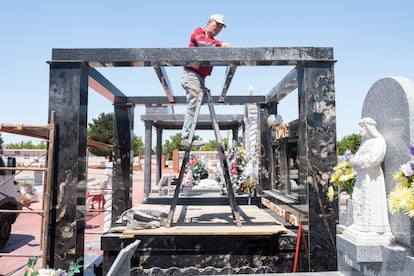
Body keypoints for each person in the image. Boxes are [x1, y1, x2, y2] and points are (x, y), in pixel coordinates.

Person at [180, 14, 231, 147]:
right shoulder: (200, 31)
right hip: (191, 74)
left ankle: (188, 135)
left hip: (199, 77)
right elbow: (201, 42)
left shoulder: (213, 42)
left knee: (197, 103)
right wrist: (221, 44)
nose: (219, 28)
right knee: (194, 103)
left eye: (221, 27)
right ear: (209, 22)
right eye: (217, 24)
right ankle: (186, 137)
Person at [348, 117, 391, 235]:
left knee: (370, 199)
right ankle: (360, 223)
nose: (361, 130)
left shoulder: (378, 141)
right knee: (360, 198)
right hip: (362, 174)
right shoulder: (365, 142)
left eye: (362, 127)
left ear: (369, 127)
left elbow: (375, 158)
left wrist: (358, 161)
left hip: (372, 176)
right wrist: (355, 161)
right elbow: (356, 157)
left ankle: (372, 226)